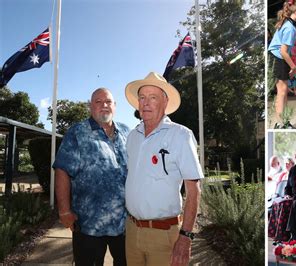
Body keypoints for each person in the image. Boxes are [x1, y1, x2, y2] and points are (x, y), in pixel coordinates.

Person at [124, 72, 203, 265]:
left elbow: (193, 191)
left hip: (164, 235)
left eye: (153, 98)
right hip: (132, 231)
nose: (146, 103)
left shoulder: (180, 135)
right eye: (142, 98)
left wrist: (185, 237)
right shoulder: (132, 137)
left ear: (165, 103)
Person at [53, 88, 129, 265]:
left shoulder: (127, 132)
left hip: (125, 224)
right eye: (98, 101)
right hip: (89, 225)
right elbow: (62, 170)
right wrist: (64, 211)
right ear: (90, 106)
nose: (104, 105)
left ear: (115, 106)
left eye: (108, 102)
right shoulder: (77, 132)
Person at [268, 0, 296, 129]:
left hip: (280, 57)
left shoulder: (289, 23)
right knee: (281, 92)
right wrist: (293, 67)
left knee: (284, 91)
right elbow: (283, 51)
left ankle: (284, 121)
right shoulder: (289, 28)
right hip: (279, 57)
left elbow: (292, 28)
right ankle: (279, 124)